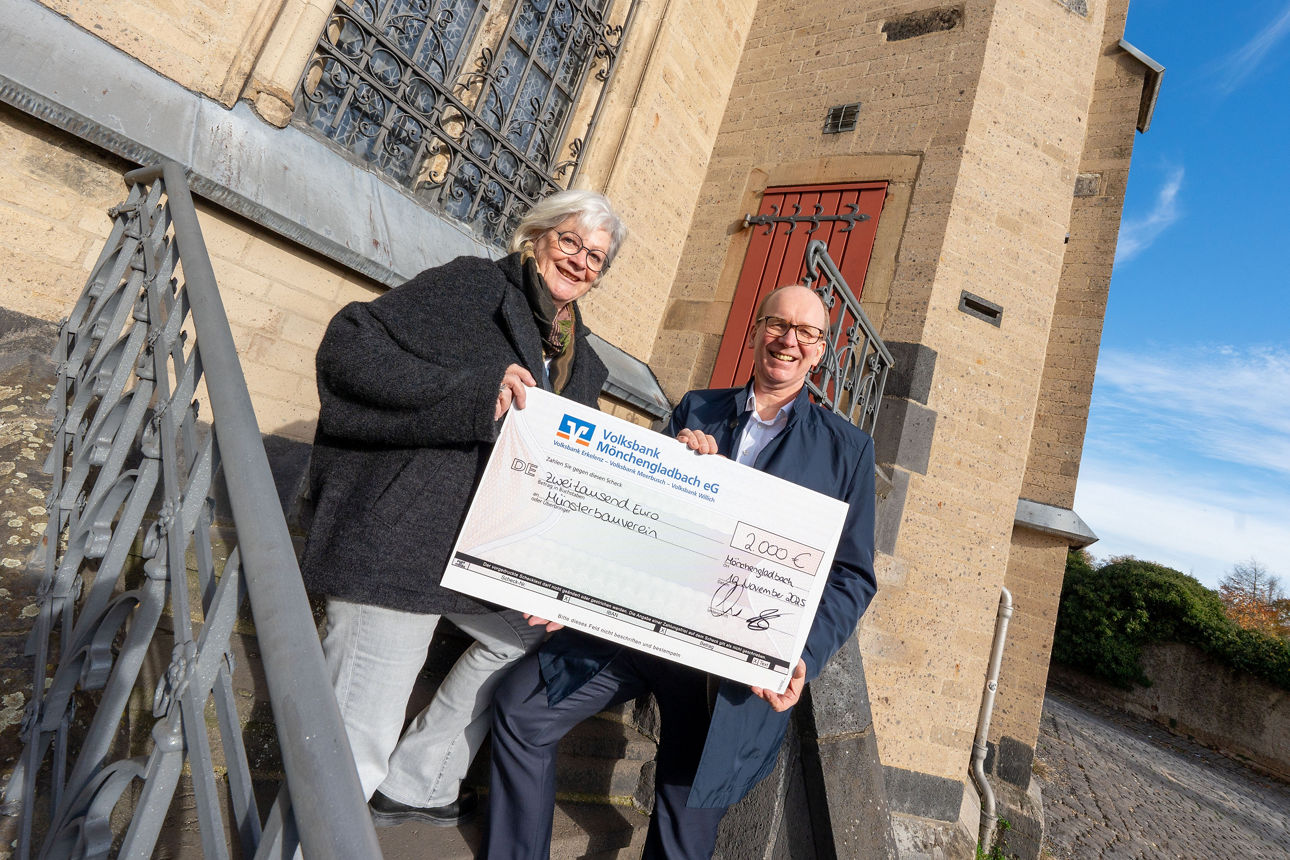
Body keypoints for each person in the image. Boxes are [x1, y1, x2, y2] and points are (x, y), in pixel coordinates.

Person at [482, 284, 878, 858]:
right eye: (777, 324)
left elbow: (852, 576)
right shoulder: (698, 408)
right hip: (643, 631)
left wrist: (804, 655)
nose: (788, 340)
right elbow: (635, 510)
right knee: (522, 709)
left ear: (819, 351)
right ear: (756, 332)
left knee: (683, 826)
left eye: (805, 332)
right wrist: (573, 589)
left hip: (728, 668)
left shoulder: (846, 450)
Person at [300, 189, 626, 827]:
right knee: (352, 749)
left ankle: (420, 780)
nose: (580, 262)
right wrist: (472, 393)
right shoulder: (474, 287)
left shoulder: (580, 361)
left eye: (596, 257)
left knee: (533, 633)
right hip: (405, 544)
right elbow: (350, 346)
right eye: (569, 242)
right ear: (535, 237)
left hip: (483, 559)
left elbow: (568, 474)